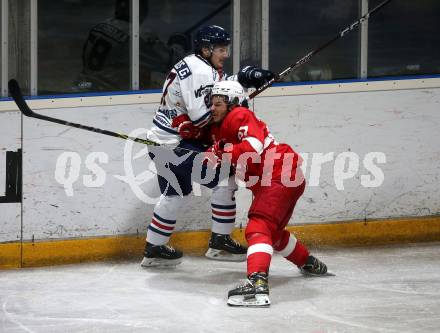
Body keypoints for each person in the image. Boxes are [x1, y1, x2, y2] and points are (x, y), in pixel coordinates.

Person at [141, 25, 275, 267]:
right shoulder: (201, 71)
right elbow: (203, 116)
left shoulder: (199, 65)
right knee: (227, 178)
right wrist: (238, 103)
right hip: (177, 147)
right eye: (221, 50)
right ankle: (220, 243)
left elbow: (215, 91)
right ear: (206, 49)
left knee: (175, 192)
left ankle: (154, 248)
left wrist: (245, 77)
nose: (225, 54)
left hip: (161, 143)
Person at [206, 80, 328, 307]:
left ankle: (257, 285)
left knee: (258, 227)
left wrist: (220, 150)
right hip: (284, 176)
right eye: (211, 104)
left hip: (277, 175)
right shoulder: (227, 125)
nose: (212, 108)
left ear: (232, 104)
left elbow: (252, 148)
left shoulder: (238, 114)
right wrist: (215, 151)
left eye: (218, 104)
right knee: (273, 233)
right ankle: (308, 262)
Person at [74, 0, 189, 91]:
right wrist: (178, 42)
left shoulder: (99, 27)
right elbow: (170, 62)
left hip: (82, 85)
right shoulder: (138, 36)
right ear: (141, 9)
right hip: (107, 95)